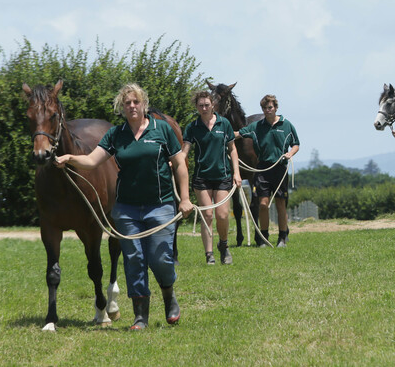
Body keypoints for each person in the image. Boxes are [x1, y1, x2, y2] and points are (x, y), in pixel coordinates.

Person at [54, 83, 193, 330]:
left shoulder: (161, 129)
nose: (132, 106)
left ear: (143, 104)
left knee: (160, 257)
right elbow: (92, 160)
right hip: (127, 209)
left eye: (136, 101)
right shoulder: (116, 134)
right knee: (134, 259)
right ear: (122, 107)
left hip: (160, 206)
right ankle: (140, 316)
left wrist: (184, 198)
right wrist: (70, 159)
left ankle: (169, 296)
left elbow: (179, 165)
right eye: (127, 102)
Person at [182, 91, 242, 265]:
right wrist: (175, 162)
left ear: (213, 105)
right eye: (200, 105)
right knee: (207, 215)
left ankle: (223, 245)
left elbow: (232, 149)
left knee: (222, 215)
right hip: (202, 178)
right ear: (197, 107)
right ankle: (209, 255)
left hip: (223, 176)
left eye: (207, 104)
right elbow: (185, 151)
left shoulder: (224, 124)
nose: (204, 108)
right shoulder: (192, 127)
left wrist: (236, 173)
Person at [235, 94, 300, 247]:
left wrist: (290, 153)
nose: (267, 110)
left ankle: (282, 237)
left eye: (270, 107)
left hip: (280, 168)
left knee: (280, 203)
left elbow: (296, 144)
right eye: (264, 108)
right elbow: (238, 134)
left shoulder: (286, 125)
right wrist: (220, 133)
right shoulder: (257, 126)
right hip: (262, 169)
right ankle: (264, 237)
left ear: (275, 108)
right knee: (263, 204)